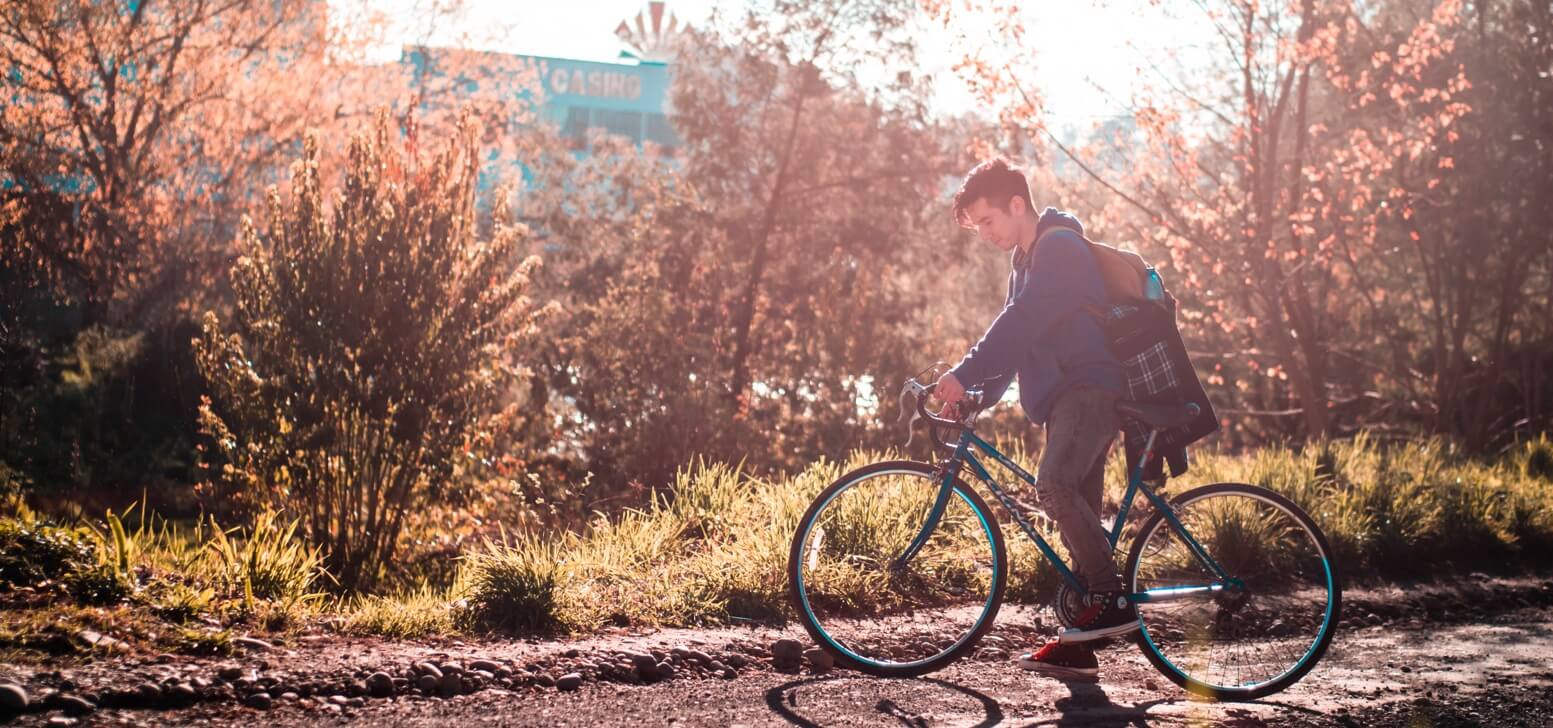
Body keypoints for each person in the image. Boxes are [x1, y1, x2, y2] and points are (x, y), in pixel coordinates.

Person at [934, 157, 1136, 682]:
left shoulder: (1059, 248)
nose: (985, 233)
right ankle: (1081, 639)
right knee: (1077, 519)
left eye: (988, 221)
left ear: (1017, 205)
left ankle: (1114, 601)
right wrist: (974, 394)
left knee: (1053, 487)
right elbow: (1017, 345)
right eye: (978, 226)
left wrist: (961, 371)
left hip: (1088, 390)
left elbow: (1020, 321)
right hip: (1066, 397)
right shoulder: (1024, 262)